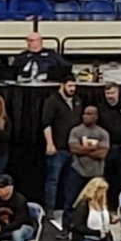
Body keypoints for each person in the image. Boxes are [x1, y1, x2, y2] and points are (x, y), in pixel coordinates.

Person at [41, 77, 81, 220]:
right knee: (53, 180)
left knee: (71, 181)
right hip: (58, 148)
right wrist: (50, 143)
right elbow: (47, 123)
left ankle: (68, 209)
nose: (73, 89)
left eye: (74, 86)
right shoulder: (52, 101)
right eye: (70, 86)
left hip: (74, 148)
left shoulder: (77, 100)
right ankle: (49, 209)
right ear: (62, 85)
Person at [66, 105, 110, 215]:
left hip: (96, 173)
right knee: (71, 201)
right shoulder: (75, 131)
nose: (85, 116)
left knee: (97, 202)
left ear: (96, 116)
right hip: (78, 170)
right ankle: (66, 227)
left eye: (89, 114)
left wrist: (83, 150)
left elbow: (102, 154)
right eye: (84, 113)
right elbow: (73, 149)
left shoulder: (103, 133)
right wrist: (93, 148)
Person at [69, 177, 119, 241]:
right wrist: (96, 232)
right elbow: (77, 226)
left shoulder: (103, 204)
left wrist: (111, 219)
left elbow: (102, 217)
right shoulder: (84, 205)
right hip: (87, 238)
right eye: (102, 191)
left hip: (103, 239)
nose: (104, 194)